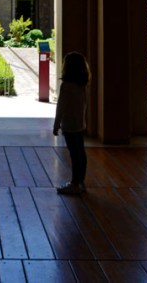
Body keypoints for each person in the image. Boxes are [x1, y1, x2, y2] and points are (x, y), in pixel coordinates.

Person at [53, 51, 90, 195]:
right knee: (80, 152)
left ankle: (74, 183)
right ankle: (81, 182)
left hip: (69, 124)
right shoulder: (82, 84)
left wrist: (56, 124)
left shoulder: (66, 85)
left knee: (74, 154)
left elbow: (61, 106)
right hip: (80, 123)